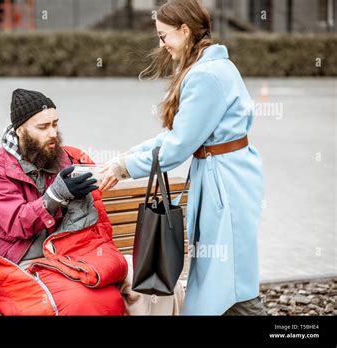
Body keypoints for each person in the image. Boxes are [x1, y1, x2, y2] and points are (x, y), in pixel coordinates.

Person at [100, 0, 266, 316]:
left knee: (230, 284)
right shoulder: (213, 68)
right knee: (227, 279)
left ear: (184, 31)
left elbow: (178, 146)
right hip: (225, 177)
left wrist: (124, 166)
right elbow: (179, 137)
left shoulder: (205, 75)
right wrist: (128, 157)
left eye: (164, 36)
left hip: (224, 183)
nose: (162, 45)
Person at [0, 88, 128, 315]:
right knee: (85, 301)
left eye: (55, 124)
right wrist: (55, 196)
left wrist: (105, 176)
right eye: (43, 127)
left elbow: (99, 221)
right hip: (17, 261)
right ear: (20, 131)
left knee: (135, 284)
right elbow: (17, 223)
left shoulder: (68, 158)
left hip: (67, 253)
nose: (53, 133)